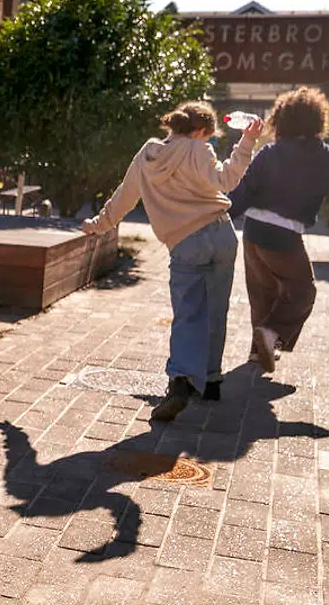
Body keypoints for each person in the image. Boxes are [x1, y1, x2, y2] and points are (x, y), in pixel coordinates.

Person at [84, 102, 264, 421]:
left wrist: (98, 224)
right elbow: (227, 180)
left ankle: (180, 382)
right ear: (198, 132)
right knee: (215, 309)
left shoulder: (148, 155)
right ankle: (209, 381)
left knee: (187, 314)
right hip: (221, 234)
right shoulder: (198, 150)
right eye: (205, 136)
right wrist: (247, 141)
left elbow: (125, 196)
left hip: (185, 241)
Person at [227, 86, 329, 372]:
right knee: (302, 292)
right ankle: (272, 333)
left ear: (281, 119)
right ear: (317, 119)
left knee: (263, 292)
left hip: (253, 231)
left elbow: (244, 190)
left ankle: (257, 352)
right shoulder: (322, 155)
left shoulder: (270, 152)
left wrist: (220, 216)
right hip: (283, 235)